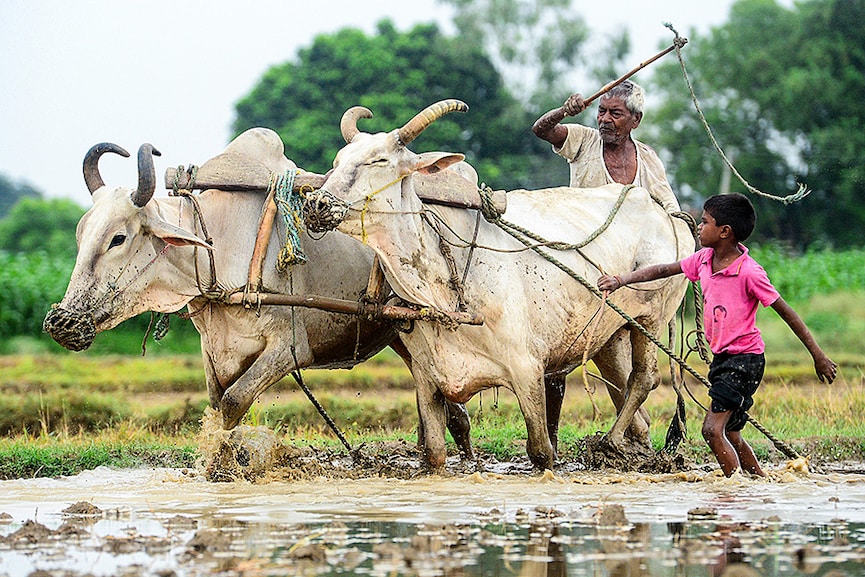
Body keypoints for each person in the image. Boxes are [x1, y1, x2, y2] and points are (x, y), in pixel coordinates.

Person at [597, 193, 837, 477]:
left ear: (725, 232)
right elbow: (663, 270)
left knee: (712, 430)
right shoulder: (703, 260)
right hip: (723, 360)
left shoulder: (750, 272)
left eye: (704, 222)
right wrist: (621, 279)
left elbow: (787, 313)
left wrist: (818, 356)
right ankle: (757, 482)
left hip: (744, 361)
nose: (699, 227)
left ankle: (733, 488)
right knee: (731, 433)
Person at [532, 80, 680, 213]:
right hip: (583, 237)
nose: (605, 119)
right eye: (602, 111)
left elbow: (671, 209)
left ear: (636, 119)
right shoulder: (584, 140)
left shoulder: (647, 158)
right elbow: (541, 130)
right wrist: (564, 111)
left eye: (615, 113)